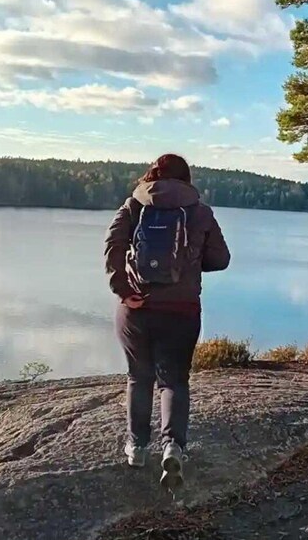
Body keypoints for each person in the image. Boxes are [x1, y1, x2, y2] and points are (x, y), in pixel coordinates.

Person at [104, 154, 230, 490]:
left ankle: (136, 448)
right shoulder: (199, 211)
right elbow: (221, 258)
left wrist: (123, 289)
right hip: (182, 310)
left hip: (137, 307)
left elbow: (113, 246)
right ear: (186, 178)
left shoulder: (134, 205)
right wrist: (188, 263)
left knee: (138, 376)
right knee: (174, 381)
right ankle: (173, 446)